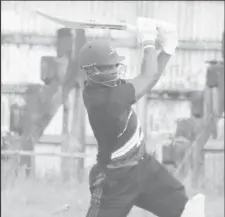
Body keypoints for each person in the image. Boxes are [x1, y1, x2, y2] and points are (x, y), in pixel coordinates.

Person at [79, 18, 205, 217]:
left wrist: (168, 49)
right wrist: (148, 42)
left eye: (115, 65)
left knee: (186, 210)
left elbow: (148, 78)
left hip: (143, 168)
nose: (115, 70)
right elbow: (147, 77)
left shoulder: (108, 86)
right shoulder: (105, 100)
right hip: (115, 180)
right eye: (109, 67)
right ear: (92, 71)